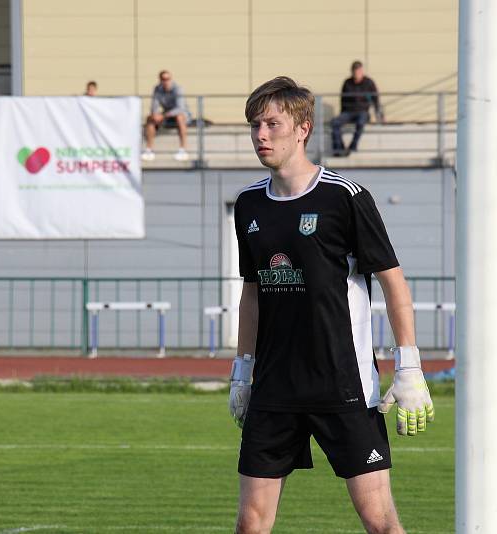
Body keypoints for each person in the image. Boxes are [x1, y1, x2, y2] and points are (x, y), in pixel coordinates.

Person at [229, 76, 433, 534]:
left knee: (379, 521)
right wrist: (243, 370)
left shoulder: (344, 197)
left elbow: (392, 282)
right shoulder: (247, 205)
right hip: (274, 389)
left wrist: (409, 367)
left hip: (343, 384)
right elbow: (253, 291)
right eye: (254, 125)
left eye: (272, 124)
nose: (261, 135)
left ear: (302, 128)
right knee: (250, 524)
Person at [331, 61, 382, 157]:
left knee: (361, 122)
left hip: (363, 112)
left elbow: (376, 99)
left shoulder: (369, 82)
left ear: (362, 71)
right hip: (348, 112)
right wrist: (342, 114)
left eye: (359, 71)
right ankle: (339, 149)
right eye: (355, 71)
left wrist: (378, 114)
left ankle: (353, 146)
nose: (357, 73)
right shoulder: (347, 83)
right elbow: (343, 99)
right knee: (335, 122)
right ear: (352, 71)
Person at [142, 70, 190, 162]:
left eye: (168, 79)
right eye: (163, 79)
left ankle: (183, 150)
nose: (166, 81)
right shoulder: (157, 89)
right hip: (167, 115)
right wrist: (155, 115)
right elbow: (154, 106)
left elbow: (180, 108)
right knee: (150, 119)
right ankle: (149, 150)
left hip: (180, 115)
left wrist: (163, 115)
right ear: (160, 80)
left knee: (180, 117)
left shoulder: (178, 89)